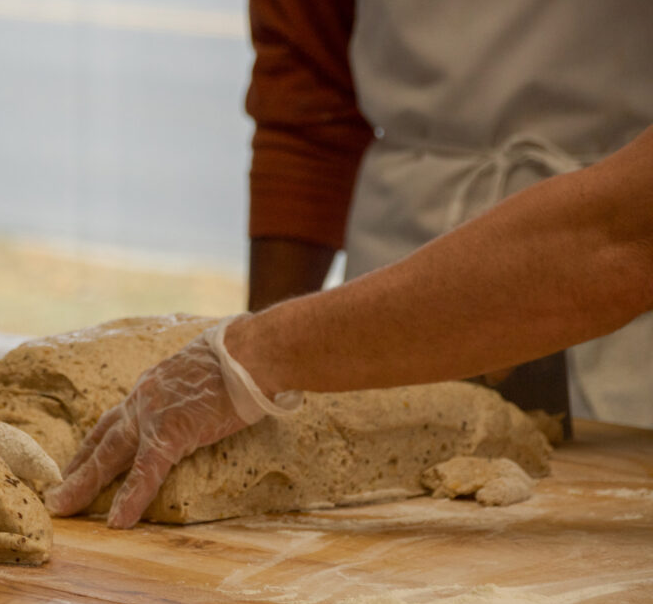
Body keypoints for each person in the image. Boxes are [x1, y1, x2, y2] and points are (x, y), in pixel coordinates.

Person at [44, 121, 653, 529]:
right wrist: (262, 374)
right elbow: (304, 116)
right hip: (401, 244)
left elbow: (621, 235)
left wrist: (255, 353)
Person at [244, 0, 653, 426]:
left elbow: (630, 230)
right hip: (405, 253)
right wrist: (253, 389)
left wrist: (266, 350)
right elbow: (307, 103)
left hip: (634, 301)